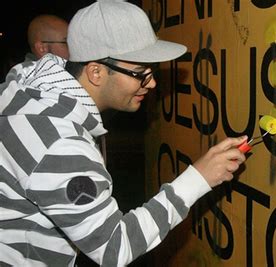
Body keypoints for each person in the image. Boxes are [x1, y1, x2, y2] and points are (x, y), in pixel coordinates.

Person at [0, 0, 247, 266]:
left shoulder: (31, 85)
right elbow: (114, 248)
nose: (151, 83)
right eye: (140, 73)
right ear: (95, 71)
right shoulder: (58, 143)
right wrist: (198, 179)